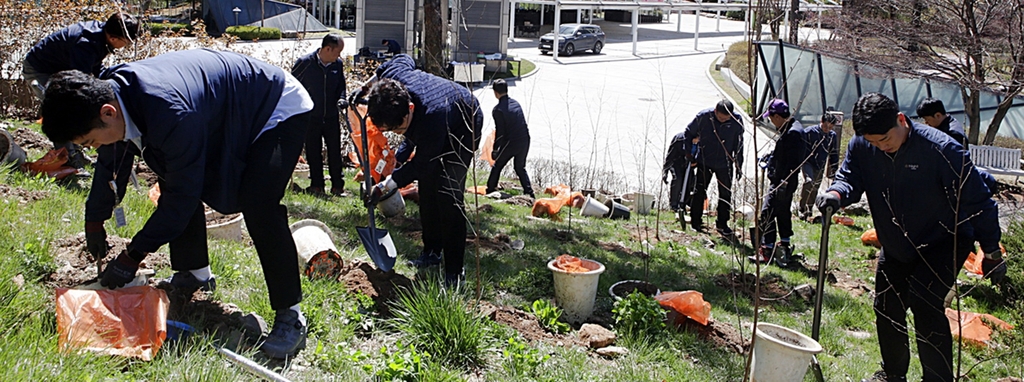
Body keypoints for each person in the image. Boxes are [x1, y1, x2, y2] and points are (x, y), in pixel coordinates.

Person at [40, 49, 314, 359]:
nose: (93, 148)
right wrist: (95, 220)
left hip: (273, 105)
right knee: (173, 176)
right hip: (222, 107)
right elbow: (109, 165)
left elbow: (183, 197)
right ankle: (195, 273)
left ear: (107, 113)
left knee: (259, 204)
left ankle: (291, 314)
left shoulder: (169, 113)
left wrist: (133, 256)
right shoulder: (112, 97)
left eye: (89, 141)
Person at [816, 93, 1003, 382]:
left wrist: (991, 252)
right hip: (897, 241)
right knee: (886, 307)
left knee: (925, 303)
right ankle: (893, 375)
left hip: (944, 240)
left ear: (901, 121)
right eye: (873, 142)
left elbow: (979, 203)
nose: (881, 147)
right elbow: (850, 177)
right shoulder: (863, 145)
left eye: (886, 139)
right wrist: (836, 193)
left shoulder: (942, 149)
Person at [362, 54, 483, 286]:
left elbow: (423, 164)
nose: (397, 134)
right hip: (428, 123)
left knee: (448, 193)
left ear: (409, 108)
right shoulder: (394, 77)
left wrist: (387, 184)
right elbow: (400, 58)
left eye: (398, 129)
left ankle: (455, 271)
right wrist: (365, 89)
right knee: (427, 191)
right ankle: (432, 252)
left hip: (464, 124)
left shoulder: (432, 117)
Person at [23, 12, 139, 170]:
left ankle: (75, 151)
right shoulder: (86, 43)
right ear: (114, 38)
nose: (126, 46)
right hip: (40, 70)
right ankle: (69, 158)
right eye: (126, 42)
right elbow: (80, 84)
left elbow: (95, 68)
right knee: (63, 112)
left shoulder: (101, 37)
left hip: (60, 70)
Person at [750, 99, 805, 266]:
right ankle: (785, 244)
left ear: (778, 116)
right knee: (782, 212)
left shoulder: (792, 134)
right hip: (784, 180)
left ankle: (766, 249)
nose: (771, 121)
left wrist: (781, 181)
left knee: (767, 213)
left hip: (783, 182)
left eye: (771, 118)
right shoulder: (792, 127)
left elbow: (793, 161)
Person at [292, 34, 347, 196]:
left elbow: (341, 86)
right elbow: (292, 86)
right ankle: (317, 185)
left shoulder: (337, 64)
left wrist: (342, 98)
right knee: (313, 151)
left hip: (330, 116)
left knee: (334, 151)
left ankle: (338, 186)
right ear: (327, 48)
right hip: (311, 117)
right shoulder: (305, 63)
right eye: (338, 51)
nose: (339, 56)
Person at [682, 100, 744, 236]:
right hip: (705, 160)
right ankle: (695, 221)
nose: (722, 121)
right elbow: (688, 132)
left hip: (725, 163)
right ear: (715, 111)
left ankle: (722, 223)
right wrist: (688, 153)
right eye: (720, 118)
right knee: (699, 191)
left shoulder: (736, 121)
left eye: (725, 119)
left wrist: (739, 164)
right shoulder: (704, 117)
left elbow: (739, 145)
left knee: (725, 194)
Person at [485, 79, 534, 198]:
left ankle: (490, 189)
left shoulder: (498, 110)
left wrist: (495, 149)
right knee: (520, 167)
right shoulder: (516, 103)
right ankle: (529, 193)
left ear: (495, 92)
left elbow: (500, 132)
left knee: (498, 165)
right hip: (525, 139)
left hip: (511, 142)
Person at [797, 112, 840, 220]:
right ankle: (801, 208)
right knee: (809, 181)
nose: (827, 129)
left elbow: (833, 153)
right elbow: (801, 148)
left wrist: (834, 168)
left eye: (830, 127)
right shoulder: (810, 132)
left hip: (820, 164)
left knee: (815, 186)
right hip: (808, 162)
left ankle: (808, 209)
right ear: (822, 121)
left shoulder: (832, 136)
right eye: (826, 126)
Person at [662, 133, 698, 212]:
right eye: (695, 140)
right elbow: (670, 157)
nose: (696, 142)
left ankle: (683, 205)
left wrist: (696, 162)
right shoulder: (679, 140)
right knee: (678, 179)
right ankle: (674, 205)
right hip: (676, 162)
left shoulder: (701, 143)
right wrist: (665, 171)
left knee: (689, 182)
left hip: (689, 165)